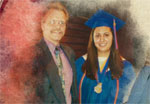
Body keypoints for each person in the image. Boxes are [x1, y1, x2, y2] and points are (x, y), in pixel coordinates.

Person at [75, 9, 135, 104]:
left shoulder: (126, 68)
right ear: (92, 39)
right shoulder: (80, 64)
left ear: (113, 37)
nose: (101, 39)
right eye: (97, 35)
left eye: (106, 35)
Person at [33, 1, 78, 104]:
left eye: (61, 22)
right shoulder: (32, 54)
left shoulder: (69, 53)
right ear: (43, 25)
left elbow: (73, 91)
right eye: (53, 21)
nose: (58, 27)